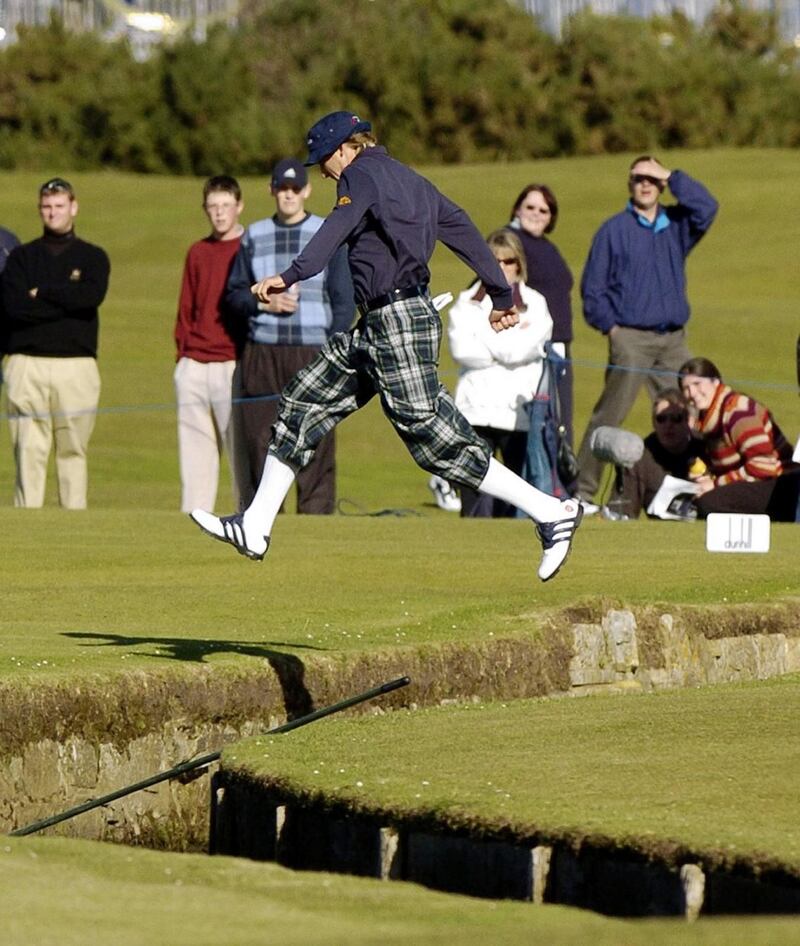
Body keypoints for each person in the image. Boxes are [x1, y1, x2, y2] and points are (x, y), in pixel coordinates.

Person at [191, 110, 582, 582]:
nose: (325, 173)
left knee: (434, 438)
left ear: (343, 148)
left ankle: (550, 512)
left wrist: (289, 275)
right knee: (303, 401)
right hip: (378, 323)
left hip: (397, 319)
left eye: (323, 163)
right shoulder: (412, 181)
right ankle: (255, 525)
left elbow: (335, 229)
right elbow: (460, 228)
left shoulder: (361, 174)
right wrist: (500, 293)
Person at [575, 156, 718, 509]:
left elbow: (707, 207)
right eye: (639, 178)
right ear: (630, 184)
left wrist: (672, 175)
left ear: (661, 185)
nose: (646, 184)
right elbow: (593, 288)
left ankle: (697, 485)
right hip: (631, 338)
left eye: (653, 179)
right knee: (610, 415)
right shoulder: (613, 230)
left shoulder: (675, 225)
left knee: (693, 411)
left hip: (673, 339)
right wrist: (611, 329)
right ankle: (582, 492)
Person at [225, 158, 354, 513]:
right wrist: (264, 304)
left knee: (316, 438)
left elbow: (344, 301)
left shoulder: (327, 231)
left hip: (311, 349)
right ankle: (261, 520)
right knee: (258, 440)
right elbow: (234, 296)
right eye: (282, 188)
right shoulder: (253, 235)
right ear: (272, 191)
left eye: (295, 188)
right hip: (263, 351)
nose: (288, 195)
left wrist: (334, 352)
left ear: (307, 190)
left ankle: (315, 520)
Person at [1, 178, 109, 508]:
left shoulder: (92, 257)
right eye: (47, 207)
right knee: (29, 450)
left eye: (59, 206)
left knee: (73, 449)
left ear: (73, 207)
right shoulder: (21, 257)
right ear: (40, 210)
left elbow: (89, 297)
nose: (53, 212)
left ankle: (72, 524)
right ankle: (28, 528)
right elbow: (14, 306)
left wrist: (43, 292)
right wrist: (64, 300)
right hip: (26, 363)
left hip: (76, 365)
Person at [447, 229, 552, 517]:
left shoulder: (536, 303)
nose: (502, 268)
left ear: (519, 264)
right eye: (494, 261)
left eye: (508, 261)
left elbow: (521, 350)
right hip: (474, 408)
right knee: (473, 485)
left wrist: (485, 335)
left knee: (513, 490)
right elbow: (462, 350)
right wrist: (506, 341)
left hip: (516, 409)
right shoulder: (466, 301)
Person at [174, 175, 245, 514]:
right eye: (213, 207)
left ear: (239, 206)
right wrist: (183, 357)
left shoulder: (250, 246)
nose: (219, 214)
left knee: (239, 453)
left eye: (225, 206)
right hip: (194, 364)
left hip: (231, 362)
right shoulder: (198, 252)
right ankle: (194, 520)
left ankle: (247, 519)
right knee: (195, 456)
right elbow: (185, 310)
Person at [679, 357, 800, 520]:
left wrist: (715, 484)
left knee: (709, 503)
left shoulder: (738, 412)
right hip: (757, 481)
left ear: (715, 382)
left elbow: (763, 466)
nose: (692, 393)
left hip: (781, 482)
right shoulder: (707, 418)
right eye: (686, 388)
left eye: (697, 384)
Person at [508, 184, 574, 446]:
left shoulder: (545, 245)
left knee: (559, 421)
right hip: (529, 345)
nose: (536, 214)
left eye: (544, 210)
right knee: (535, 421)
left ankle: (560, 485)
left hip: (557, 343)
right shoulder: (510, 241)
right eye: (530, 207)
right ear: (517, 209)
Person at [617, 388, 706, 519]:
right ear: (653, 423)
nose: (668, 425)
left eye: (676, 418)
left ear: (690, 421)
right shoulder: (639, 457)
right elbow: (623, 513)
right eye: (661, 418)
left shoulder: (706, 448)